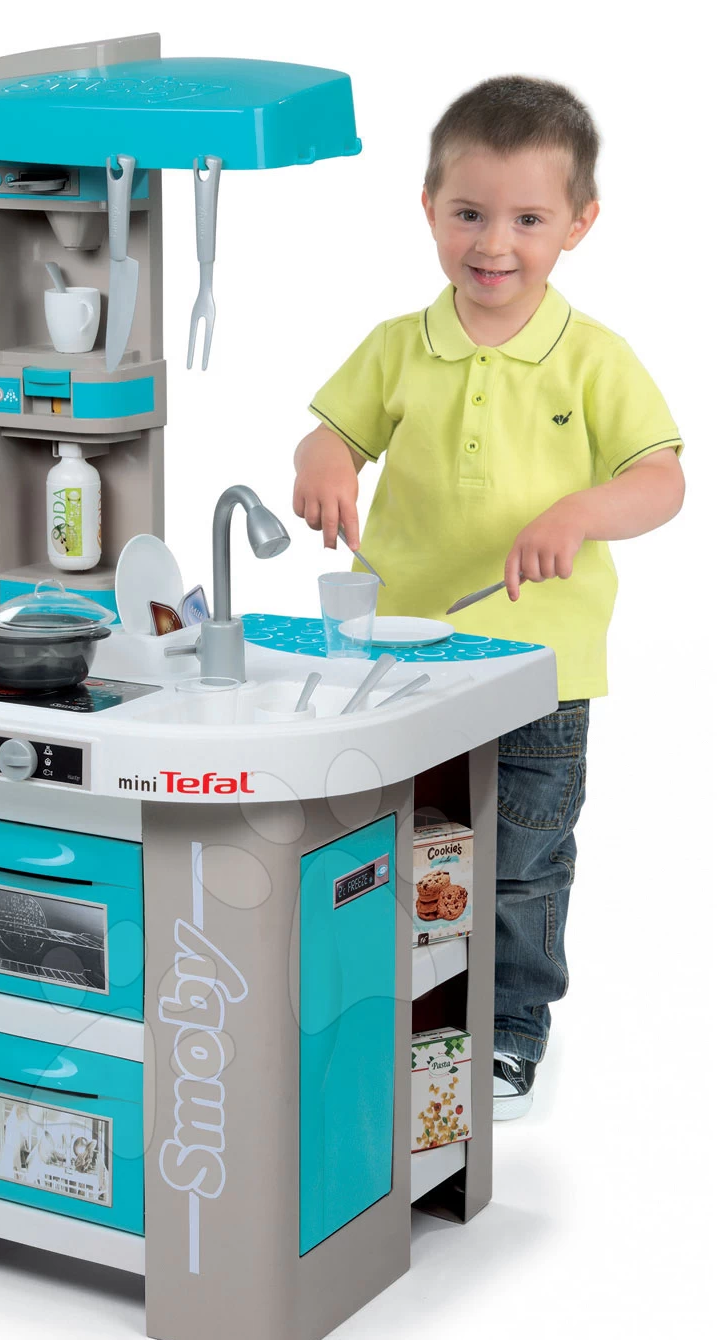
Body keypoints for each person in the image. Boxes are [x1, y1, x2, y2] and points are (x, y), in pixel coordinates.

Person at [292, 76, 684, 1119]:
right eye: (469, 213)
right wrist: (323, 460)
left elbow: (662, 480)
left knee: (518, 863)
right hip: (401, 660)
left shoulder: (594, 358)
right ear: (429, 208)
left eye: (528, 220)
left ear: (579, 224)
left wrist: (581, 512)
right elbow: (332, 432)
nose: (493, 243)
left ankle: (509, 1030)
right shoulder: (398, 344)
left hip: (538, 671)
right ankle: (404, 1014)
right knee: (400, 849)